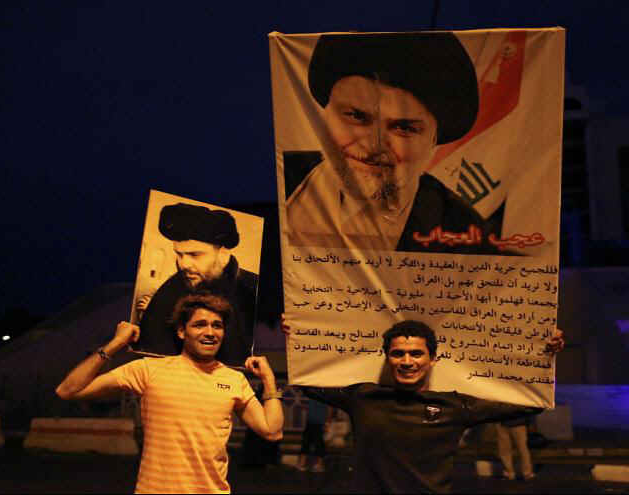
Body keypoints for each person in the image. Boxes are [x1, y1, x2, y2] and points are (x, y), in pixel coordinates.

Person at [284, 33, 507, 254]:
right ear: (325, 115)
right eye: (356, 116)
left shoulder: (469, 238)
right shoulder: (282, 178)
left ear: (433, 140)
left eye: (403, 128)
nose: (372, 145)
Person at [283, 319, 564, 493]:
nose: (407, 362)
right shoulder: (363, 397)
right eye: (398, 354)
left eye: (416, 354)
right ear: (387, 358)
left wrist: (547, 357)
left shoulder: (455, 405)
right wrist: (294, 339)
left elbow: (531, 403)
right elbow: (306, 382)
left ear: (432, 359)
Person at [56, 294, 283, 493]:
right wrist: (115, 343)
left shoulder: (234, 379)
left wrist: (269, 380)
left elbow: (272, 432)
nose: (210, 332)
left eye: (217, 326)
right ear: (182, 331)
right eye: (200, 325)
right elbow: (67, 390)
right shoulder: (148, 369)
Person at [136, 203, 257, 365]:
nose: (184, 264)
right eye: (179, 254)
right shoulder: (171, 288)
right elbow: (150, 347)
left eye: (194, 255)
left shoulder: (252, 289)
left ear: (223, 254)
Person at [496, 416, 534, 480]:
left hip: (518, 423)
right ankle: (509, 473)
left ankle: (527, 473)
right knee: (504, 450)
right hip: (502, 423)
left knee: (522, 449)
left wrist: (529, 422)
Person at [296, 398, 329, 472]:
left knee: (316, 443)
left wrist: (327, 422)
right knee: (309, 442)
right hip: (312, 421)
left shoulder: (321, 398)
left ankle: (316, 464)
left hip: (317, 422)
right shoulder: (315, 397)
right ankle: (303, 463)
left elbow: (327, 409)